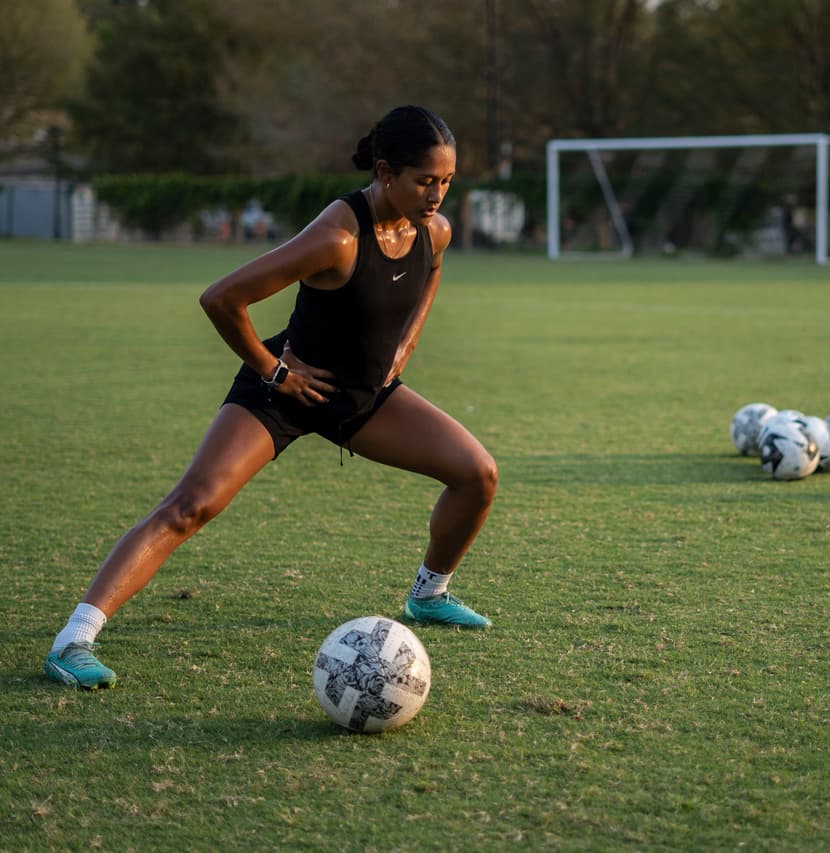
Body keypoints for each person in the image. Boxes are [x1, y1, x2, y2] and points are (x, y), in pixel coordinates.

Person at [44, 106, 498, 690]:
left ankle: (429, 595)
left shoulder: (433, 229)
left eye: (447, 181)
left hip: (365, 397)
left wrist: (408, 341)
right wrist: (274, 371)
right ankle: (73, 640)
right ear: (386, 172)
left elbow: (431, 268)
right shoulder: (337, 237)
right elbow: (221, 298)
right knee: (191, 505)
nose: (437, 195)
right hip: (283, 393)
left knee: (477, 474)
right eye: (425, 180)